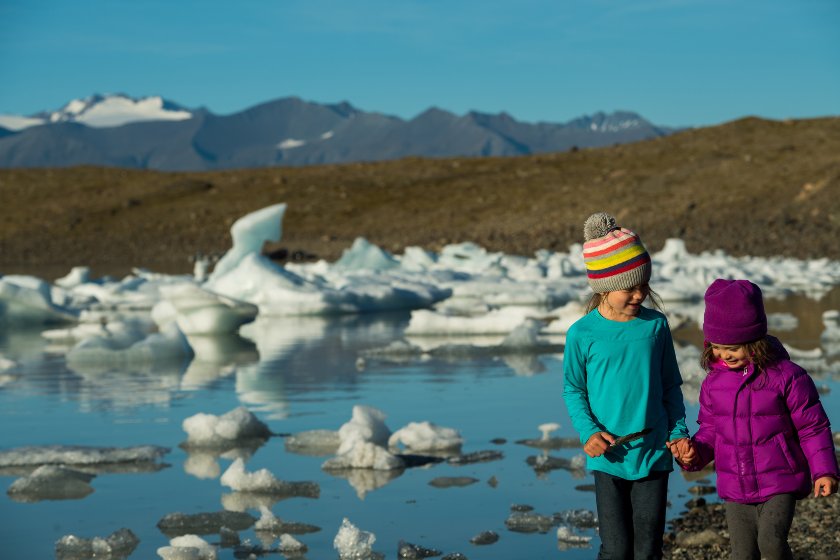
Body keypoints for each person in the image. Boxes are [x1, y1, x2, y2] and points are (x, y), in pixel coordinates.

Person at [676, 279, 839, 560]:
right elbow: (711, 430)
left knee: (771, 543)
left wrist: (824, 471)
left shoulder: (787, 377)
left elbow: (812, 428)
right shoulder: (713, 384)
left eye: (733, 348)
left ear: (754, 341)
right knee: (742, 553)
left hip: (780, 480)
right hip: (735, 485)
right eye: (717, 347)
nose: (724, 355)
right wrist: (694, 454)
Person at [563, 212, 690, 560]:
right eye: (629, 288)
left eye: (644, 285)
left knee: (648, 550)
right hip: (609, 456)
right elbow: (574, 390)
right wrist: (589, 431)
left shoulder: (655, 326)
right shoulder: (581, 334)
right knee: (616, 550)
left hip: (654, 452)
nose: (639, 294)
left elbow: (671, 386)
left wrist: (679, 433)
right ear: (603, 286)